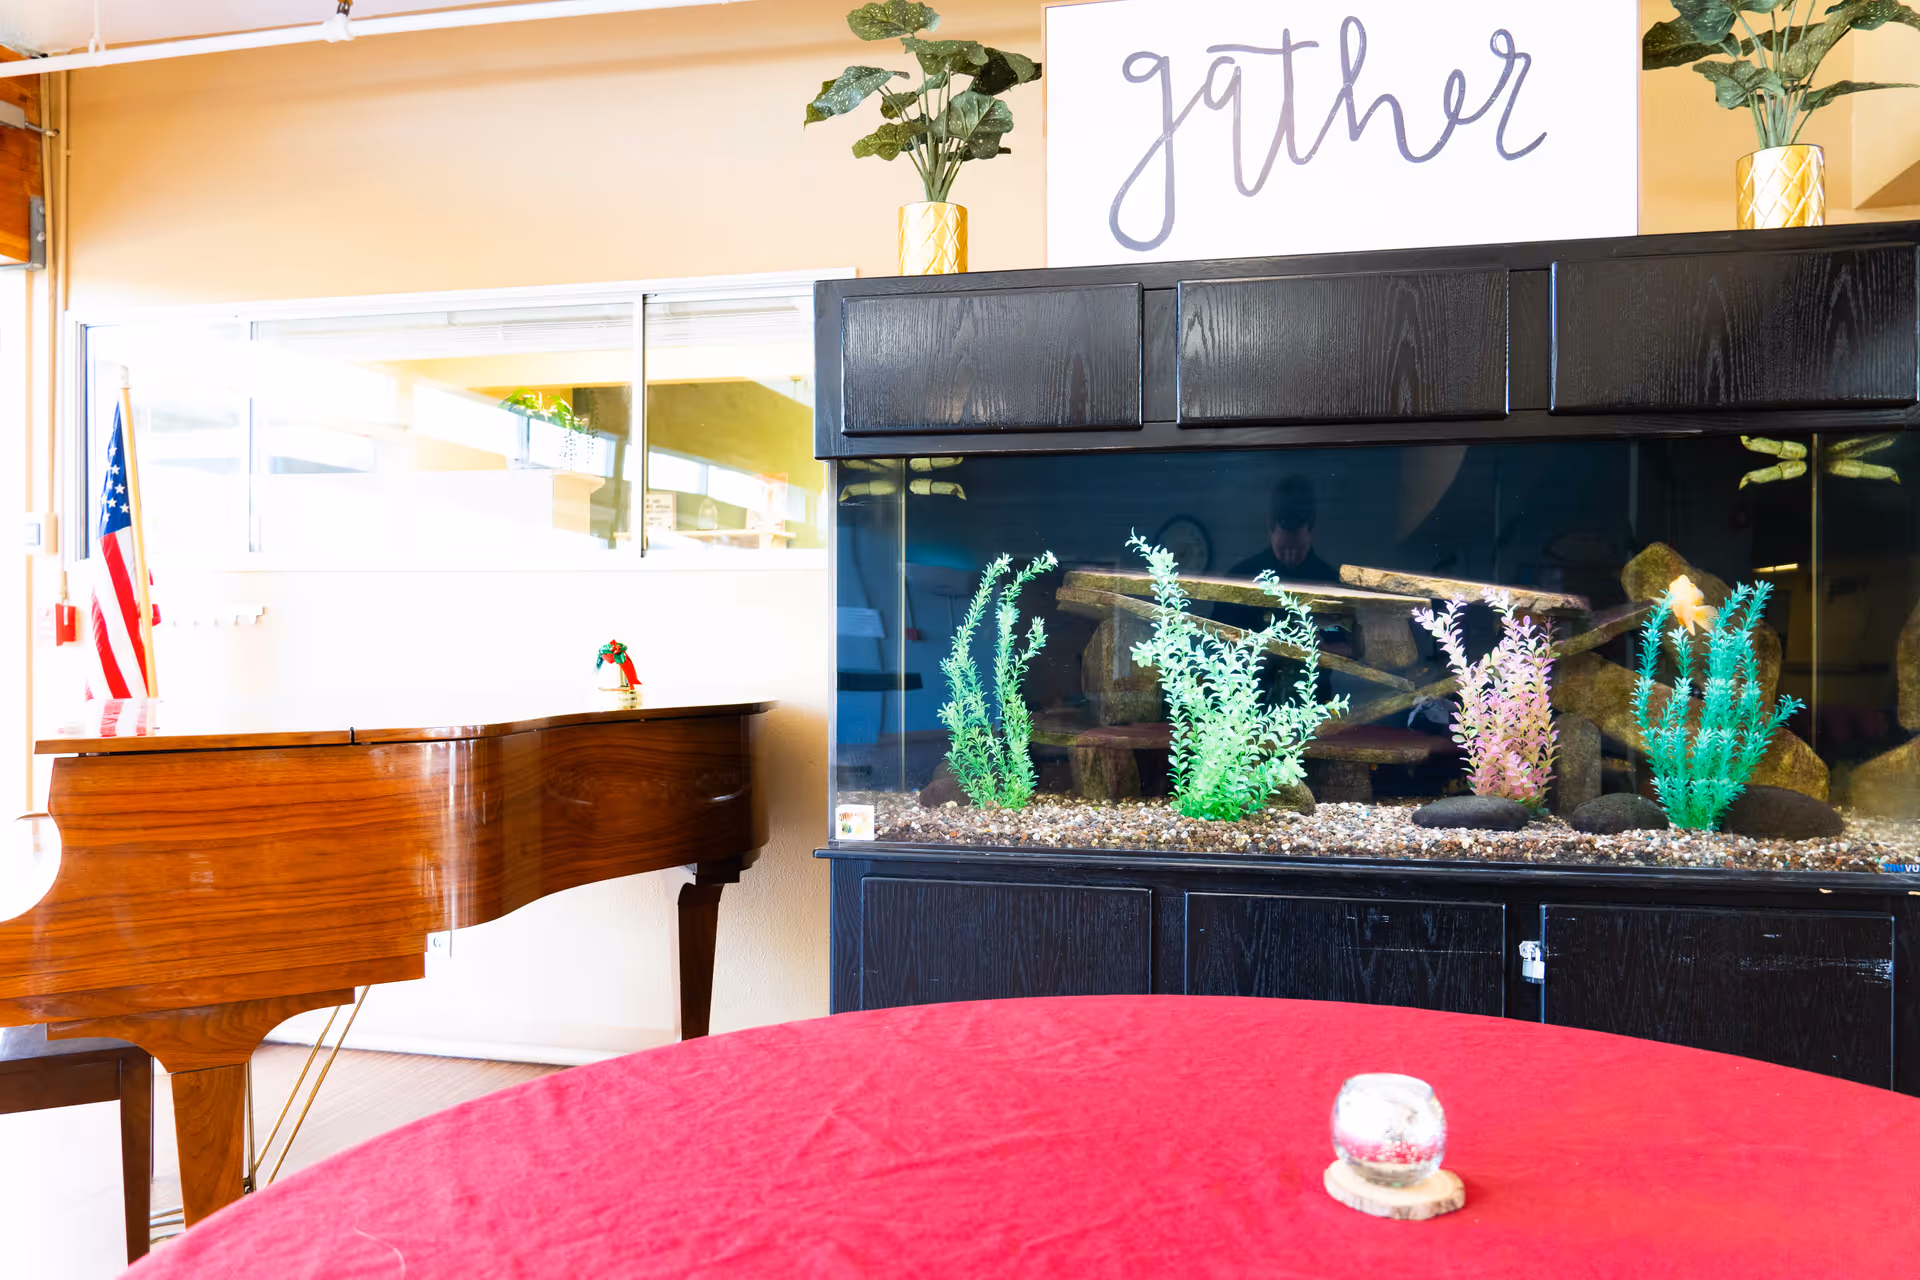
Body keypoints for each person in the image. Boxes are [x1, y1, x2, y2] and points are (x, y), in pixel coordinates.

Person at [1228, 475, 1338, 585]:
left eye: (1299, 549)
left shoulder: (1332, 582)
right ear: (1270, 530)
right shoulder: (1241, 577)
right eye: (1282, 548)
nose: (1290, 557)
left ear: (1311, 533)